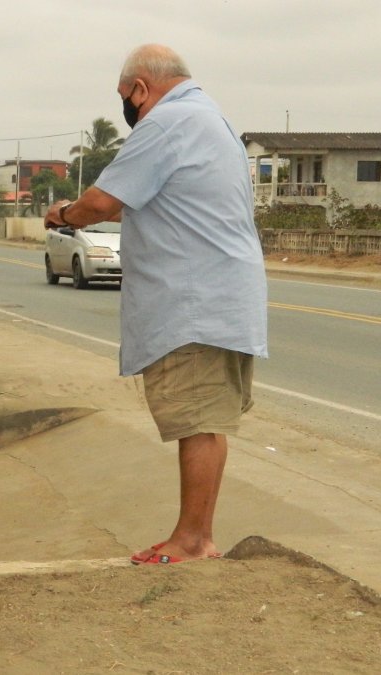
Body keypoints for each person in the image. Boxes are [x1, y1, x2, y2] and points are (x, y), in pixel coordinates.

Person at [45, 44, 268, 565]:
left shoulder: (166, 123)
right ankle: (198, 535)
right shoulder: (211, 121)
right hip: (222, 297)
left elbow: (102, 202)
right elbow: (161, 204)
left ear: (140, 88)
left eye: (127, 100)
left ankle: (192, 541)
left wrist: (64, 214)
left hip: (193, 303)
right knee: (207, 420)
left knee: (196, 419)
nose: (129, 112)